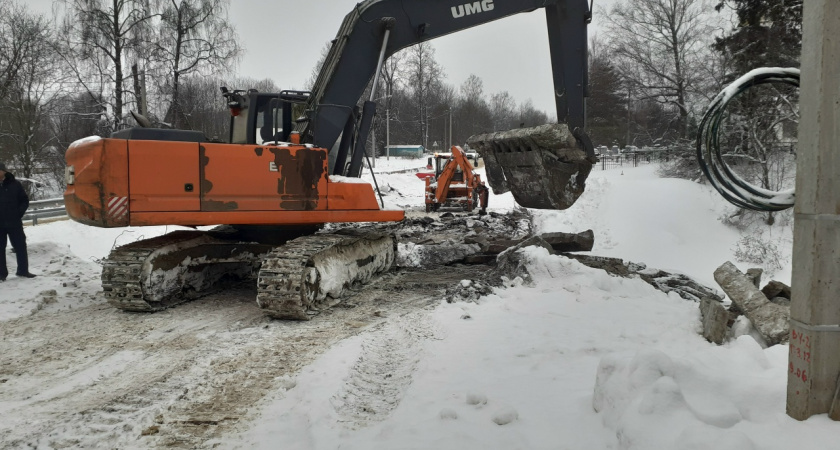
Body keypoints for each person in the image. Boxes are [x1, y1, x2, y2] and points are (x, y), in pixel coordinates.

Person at [0, 162, 36, 281]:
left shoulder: (15, 184)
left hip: (14, 222)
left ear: (4, 171)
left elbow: (24, 200)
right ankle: (1, 274)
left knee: (20, 246)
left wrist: (18, 213)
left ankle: (23, 271)